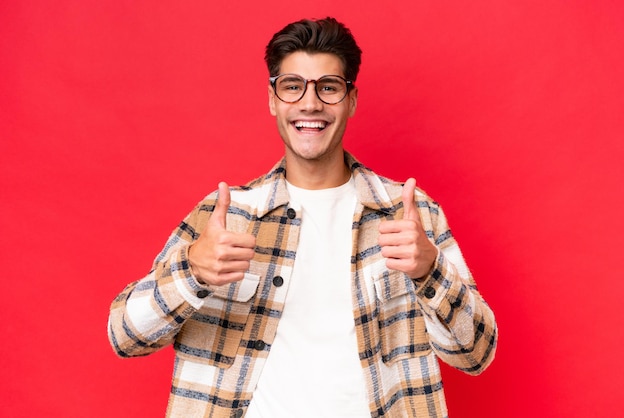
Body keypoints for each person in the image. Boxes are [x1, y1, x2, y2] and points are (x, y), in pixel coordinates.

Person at [108, 17, 497, 418]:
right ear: (273, 99)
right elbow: (124, 335)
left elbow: (477, 354)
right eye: (293, 86)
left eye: (328, 88)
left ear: (351, 100)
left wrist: (429, 270)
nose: (310, 104)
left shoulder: (409, 214)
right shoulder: (227, 217)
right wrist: (193, 271)